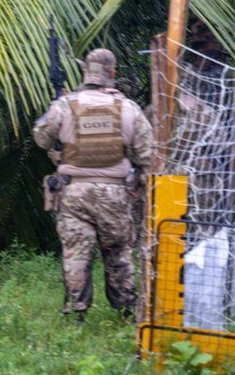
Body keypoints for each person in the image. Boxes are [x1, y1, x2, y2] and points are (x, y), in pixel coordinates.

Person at [33, 48, 153, 322]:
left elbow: (41, 138)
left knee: (76, 253)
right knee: (118, 252)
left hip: (74, 192)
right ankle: (126, 310)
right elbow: (147, 155)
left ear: (85, 71)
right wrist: (143, 185)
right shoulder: (128, 108)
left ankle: (76, 312)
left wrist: (56, 107)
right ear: (112, 72)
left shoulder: (66, 105)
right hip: (115, 193)